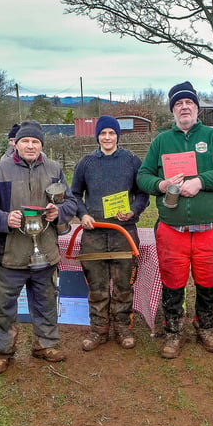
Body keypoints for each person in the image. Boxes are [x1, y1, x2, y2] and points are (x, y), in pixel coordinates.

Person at [137, 81, 213, 359]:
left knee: (208, 280)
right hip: (173, 229)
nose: (184, 107)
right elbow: (143, 176)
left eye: (189, 103)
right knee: (173, 280)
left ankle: (205, 326)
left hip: (208, 228)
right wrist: (160, 184)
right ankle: (173, 330)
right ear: (173, 110)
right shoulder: (161, 141)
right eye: (179, 104)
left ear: (197, 108)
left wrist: (201, 182)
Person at [0, 120, 78, 374]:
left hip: (45, 250)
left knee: (45, 301)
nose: (31, 146)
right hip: (10, 253)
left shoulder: (54, 169)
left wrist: (60, 211)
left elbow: (71, 203)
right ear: (16, 143)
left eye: (35, 141)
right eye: (26, 141)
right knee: (2, 305)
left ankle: (45, 344)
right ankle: (2, 351)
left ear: (41, 144)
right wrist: (4, 219)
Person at [70, 115, 149, 351]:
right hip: (94, 232)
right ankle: (98, 330)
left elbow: (143, 193)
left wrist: (133, 211)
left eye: (111, 133)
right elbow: (74, 194)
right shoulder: (86, 163)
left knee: (124, 284)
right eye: (103, 133)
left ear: (118, 136)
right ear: (97, 136)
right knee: (97, 285)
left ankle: (123, 327)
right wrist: (82, 214)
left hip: (123, 232)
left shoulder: (132, 161)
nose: (107, 137)